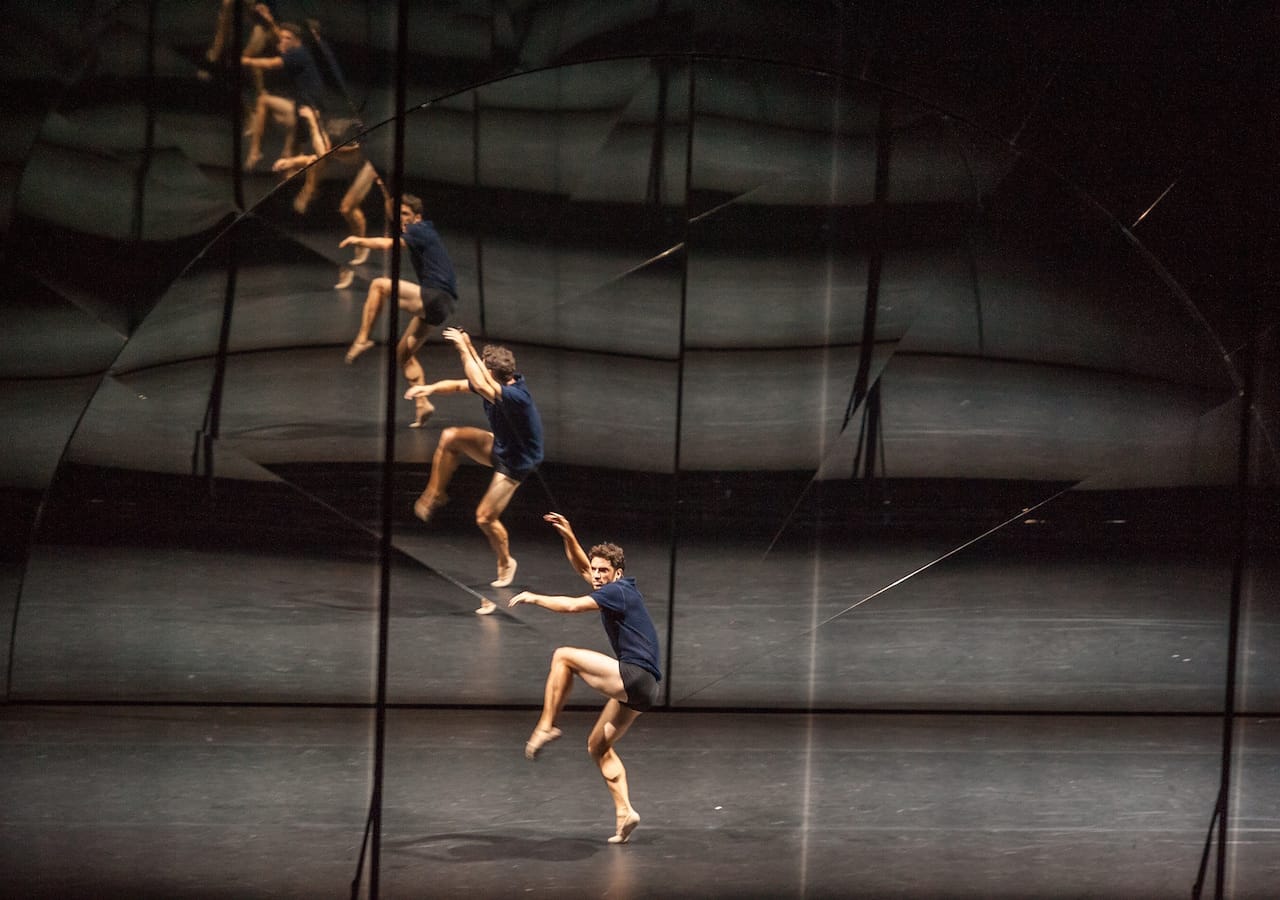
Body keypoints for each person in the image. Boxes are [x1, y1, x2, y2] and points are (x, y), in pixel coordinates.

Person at [508, 513, 662, 845]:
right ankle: (625, 812)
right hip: (645, 689)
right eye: (596, 570)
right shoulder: (613, 588)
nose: (596, 575)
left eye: (603, 570)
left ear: (617, 573)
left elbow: (573, 606)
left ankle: (546, 725)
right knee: (597, 745)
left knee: (563, 656)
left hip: (634, 675)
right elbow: (583, 568)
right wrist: (569, 537)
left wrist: (534, 597)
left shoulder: (618, 590)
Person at [403, 329, 543, 592]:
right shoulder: (496, 384)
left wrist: (463, 349)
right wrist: (428, 388)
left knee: (485, 517)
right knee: (450, 438)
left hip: (517, 462)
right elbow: (460, 384)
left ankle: (506, 562)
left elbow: (478, 383)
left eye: (483, 367)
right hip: (501, 444)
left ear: (491, 374)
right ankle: (436, 494)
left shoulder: (515, 397)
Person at [343, 194, 458, 427]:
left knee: (379, 285)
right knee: (403, 354)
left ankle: (363, 339)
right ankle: (423, 404)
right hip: (442, 305)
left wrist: (359, 240)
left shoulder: (419, 229)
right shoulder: (421, 231)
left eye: (406, 214)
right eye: (400, 215)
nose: (402, 219)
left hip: (435, 296)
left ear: (417, 217)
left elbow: (388, 245)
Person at [240, 20, 329, 171]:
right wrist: (268, 18)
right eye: (281, 38)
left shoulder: (299, 53)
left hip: (307, 111)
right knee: (288, 156)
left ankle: (255, 151)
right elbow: (279, 35)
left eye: (287, 38)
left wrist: (246, 60)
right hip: (301, 107)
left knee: (263, 100)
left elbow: (271, 63)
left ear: (297, 41)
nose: (282, 41)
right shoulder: (298, 52)